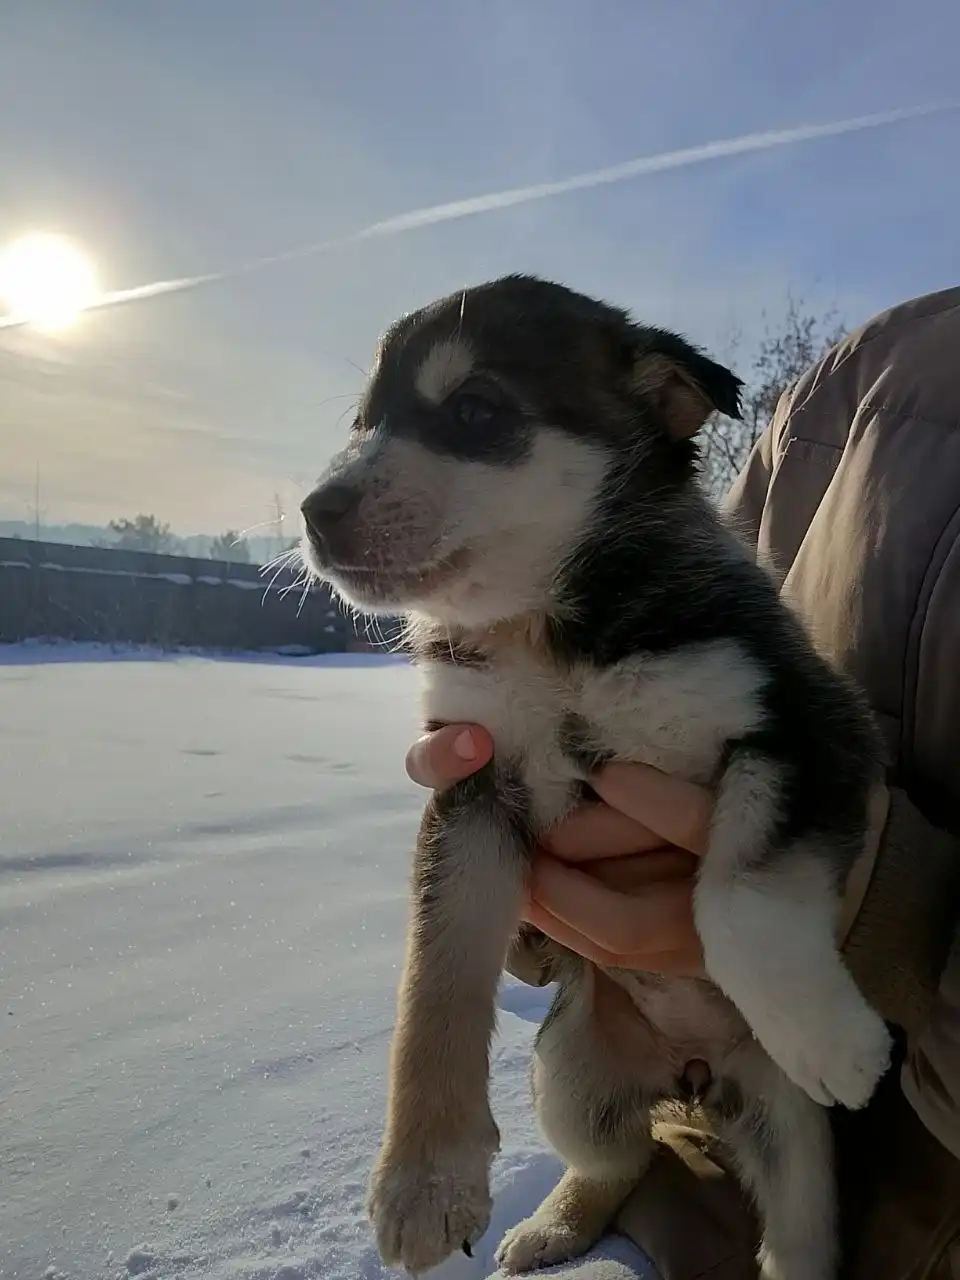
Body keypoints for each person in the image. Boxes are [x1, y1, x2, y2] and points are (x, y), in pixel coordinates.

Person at [404, 286, 960, 1280]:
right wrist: (526, 871)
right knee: (585, 1109)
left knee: (801, 1210)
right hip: (673, 1166)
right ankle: (598, 1174)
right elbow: (716, 595)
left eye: (479, 416)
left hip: (851, 1071)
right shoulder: (854, 385)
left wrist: (876, 908)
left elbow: (788, 723)